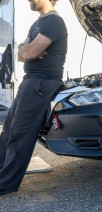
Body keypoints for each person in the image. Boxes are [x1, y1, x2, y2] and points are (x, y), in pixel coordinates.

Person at [0, 0, 67, 196]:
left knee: (20, 134)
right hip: (31, 81)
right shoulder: (39, 22)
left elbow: (29, 52)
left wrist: (26, 51)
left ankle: (5, 183)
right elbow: (23, 50)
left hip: (41, 83)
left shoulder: (53, 21)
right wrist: (24, 51)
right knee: (9, 131)